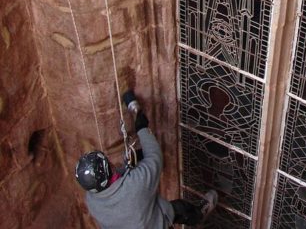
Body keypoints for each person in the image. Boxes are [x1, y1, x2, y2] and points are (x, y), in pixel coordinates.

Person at [75, 90, 217, 229]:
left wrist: (129, 164)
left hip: (141, 221)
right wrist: (142, 128)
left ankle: (198, 214)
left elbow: (118, 183)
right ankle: (199, 215)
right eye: (109, 163)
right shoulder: (135, 185)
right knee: (180, 210)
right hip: (155, 224)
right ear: (110, 169)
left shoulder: (92, 200)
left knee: (178, 209)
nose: (112, 163)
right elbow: (155, 157)